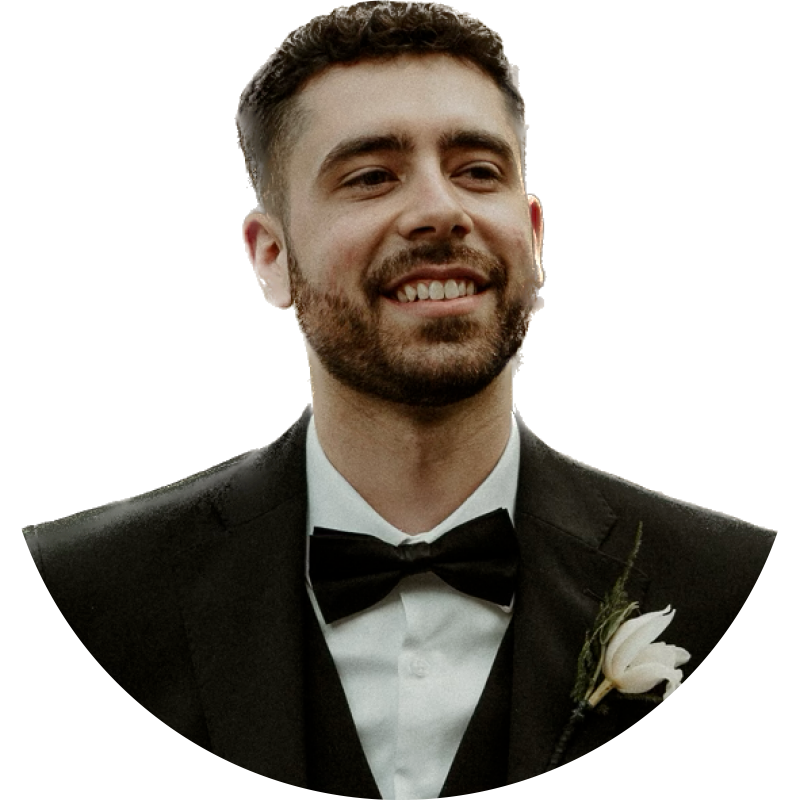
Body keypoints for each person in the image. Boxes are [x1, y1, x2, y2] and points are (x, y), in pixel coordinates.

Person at [1, 2, 798, 798]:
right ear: (270, 257)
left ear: (533, 236)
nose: (440, 212)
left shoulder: (744, 593)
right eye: (371, 177)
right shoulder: (81, 601)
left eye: (477, 171)